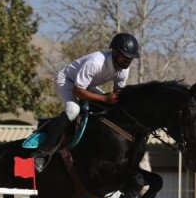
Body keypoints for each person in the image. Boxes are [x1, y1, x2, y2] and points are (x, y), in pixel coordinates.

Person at [32, 33, 140, 172]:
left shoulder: (123, 69)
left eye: (130, 59)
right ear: (115, 52)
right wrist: (104, 98)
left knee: (109, 107)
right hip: (66, 81)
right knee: (73, 110)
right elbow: (78, 91)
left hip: (86, 86)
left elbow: (118, 94)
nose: (127, 62)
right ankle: (43, 150)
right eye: (125, 58)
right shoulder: (96, 62)